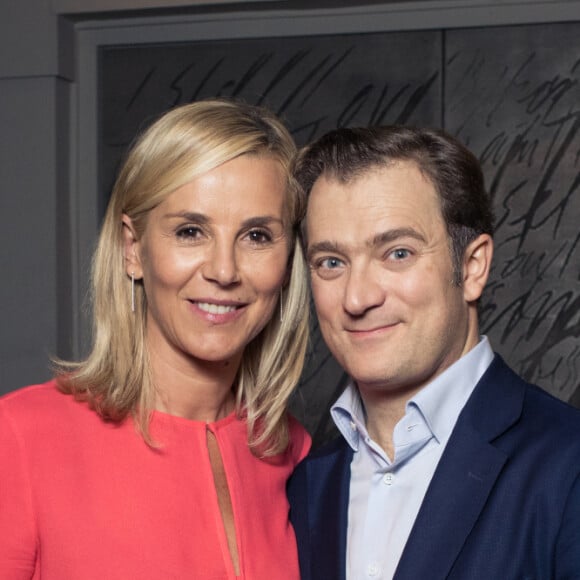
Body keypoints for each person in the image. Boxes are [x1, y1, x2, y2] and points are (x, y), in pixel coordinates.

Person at [0, 98, 311, 579]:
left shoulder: (295, 451)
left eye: (256, 237)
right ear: (133, 250)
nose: (224, 270)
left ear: (288, 261)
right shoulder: (20, 438)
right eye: (190, 231)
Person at [287, 125, 580, 580]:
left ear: (473, 266)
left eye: (397, 253)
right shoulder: (304, 484)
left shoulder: (568, 463)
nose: (357, 298)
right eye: (331, 262)